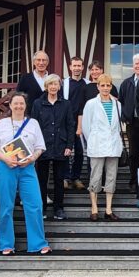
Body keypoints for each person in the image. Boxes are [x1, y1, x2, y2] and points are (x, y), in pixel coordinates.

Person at [0, 92, 50, 255]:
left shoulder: (33, 123)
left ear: (25, 106)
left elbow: (40, 147)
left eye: (21, 103)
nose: (18, 106)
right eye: (15, 103)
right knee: (6, 206)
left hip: (27, 168)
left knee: (35, 204)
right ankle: (6, 244)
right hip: (5, 167)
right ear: (10, 106)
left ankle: (38, 243)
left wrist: (32, 159)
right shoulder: (1, 124)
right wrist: (6, 159)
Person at [32, 74, 74, 221]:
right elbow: (34, 126)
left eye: (56, 84)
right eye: (51, 84)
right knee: (41, 180)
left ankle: (58, 208)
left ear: (59, 86)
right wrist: (35, 146)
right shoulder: (38, 104)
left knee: (59, 180)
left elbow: (70, 125)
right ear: (46, 86)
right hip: (42, 147)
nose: (53, 87)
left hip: (61, 145)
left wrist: (69, 145)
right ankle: (42, 207)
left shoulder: (66, 104)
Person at [82, 74, 123, 221]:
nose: (105, 88)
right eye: (102, 85)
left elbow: (118, 126)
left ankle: (108, 209)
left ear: (111, 86)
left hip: (113, 145)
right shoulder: (91, 104)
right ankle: (94, 208)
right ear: (98, 86)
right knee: (96, 176)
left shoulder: (117, 104)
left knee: (111, 177)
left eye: (108, 85)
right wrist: (93, 140)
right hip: (97, 144)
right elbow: (86, 126)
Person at [120, 53, 139, 206]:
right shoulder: (127, 83)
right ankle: (133, 180)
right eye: (137, 64)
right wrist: (125, 116)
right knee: (133, 153)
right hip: (133, 123)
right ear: (133, 66)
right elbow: (122, 101)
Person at [62, 56, 88, 190]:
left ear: (83, 67)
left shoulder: (87, 84)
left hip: (83, 122)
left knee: (79, 151)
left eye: (79, 66)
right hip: (67, 122)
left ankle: (76, 178)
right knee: (65, 151)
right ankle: (65, 178)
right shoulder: (64, 83)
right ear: (70, 67)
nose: (77, 68)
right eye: (75, 66)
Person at [16, 50, 51, 114]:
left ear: (47, 62)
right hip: (31, 116)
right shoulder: (25, 79)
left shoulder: (52, 79)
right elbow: (18, 97)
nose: (41, 63)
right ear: (34, 62)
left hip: (50, 118)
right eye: (38, 60)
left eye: (43, 60)